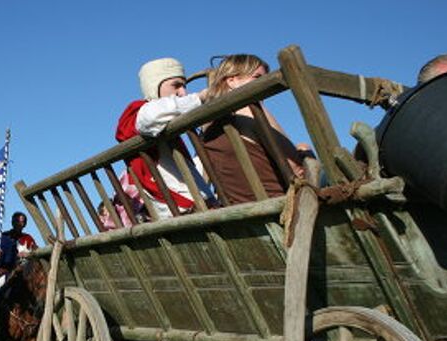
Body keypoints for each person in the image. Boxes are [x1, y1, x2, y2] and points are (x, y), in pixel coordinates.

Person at [116, 57, 215, 219]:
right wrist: (201, 97)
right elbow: (149, 118)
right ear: (154, 86)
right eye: (176, 85)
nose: (183, 92)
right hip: (180, 210)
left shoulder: (168, 128)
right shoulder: (137, 113)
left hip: (197, 206)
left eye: (184, 86)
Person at [201, 54, 306, 204]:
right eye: (257, 77)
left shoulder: (207, 127)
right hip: (278, 204)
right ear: (232, 81)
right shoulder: (251, 109)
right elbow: (296, 170)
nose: (264, 84)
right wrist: (306, 154)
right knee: (304, 148)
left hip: (238, 212)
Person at [0, 212, 37, 278]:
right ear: (12, 222)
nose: (18, 224)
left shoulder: (28, 239)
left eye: (21, 222)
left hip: (23, 275)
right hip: (3, 273)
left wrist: (28, 254)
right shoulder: (2, 237)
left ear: (25, 224)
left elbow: (37, 254)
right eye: (16, 221)